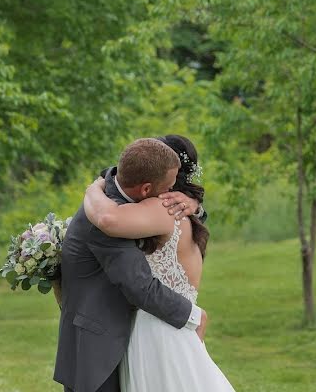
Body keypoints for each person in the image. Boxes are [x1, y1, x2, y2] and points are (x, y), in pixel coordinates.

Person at [53, 137, 208, 392]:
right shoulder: (110, 214)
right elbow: (138, 283)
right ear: (147, 188)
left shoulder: (130, 195)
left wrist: (195, 206)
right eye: (167, 186)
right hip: (101, 341)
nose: (169, 194)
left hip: (143, 328)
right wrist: (194, 315)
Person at [83, 134, 235, 392]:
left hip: (157, 329)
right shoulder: (184, 213)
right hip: (176, 325)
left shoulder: (161, 207)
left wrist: (92, 189)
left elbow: (109, 219)